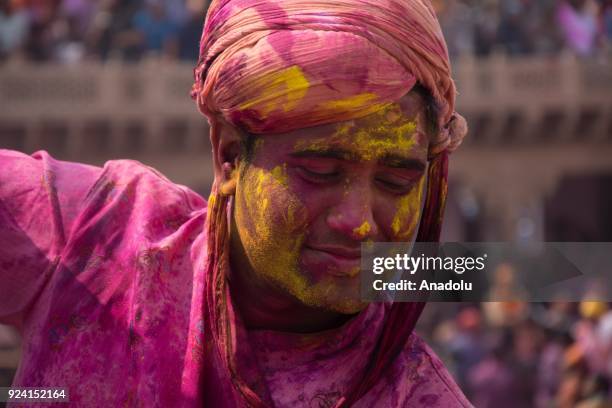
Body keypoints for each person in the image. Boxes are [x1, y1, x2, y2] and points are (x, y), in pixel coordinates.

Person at [0, 0, 470, 406]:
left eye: (395, 182)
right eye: (320, 173)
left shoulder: (417, 396)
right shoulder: (99, 236)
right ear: (228, 156)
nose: (360, 222)